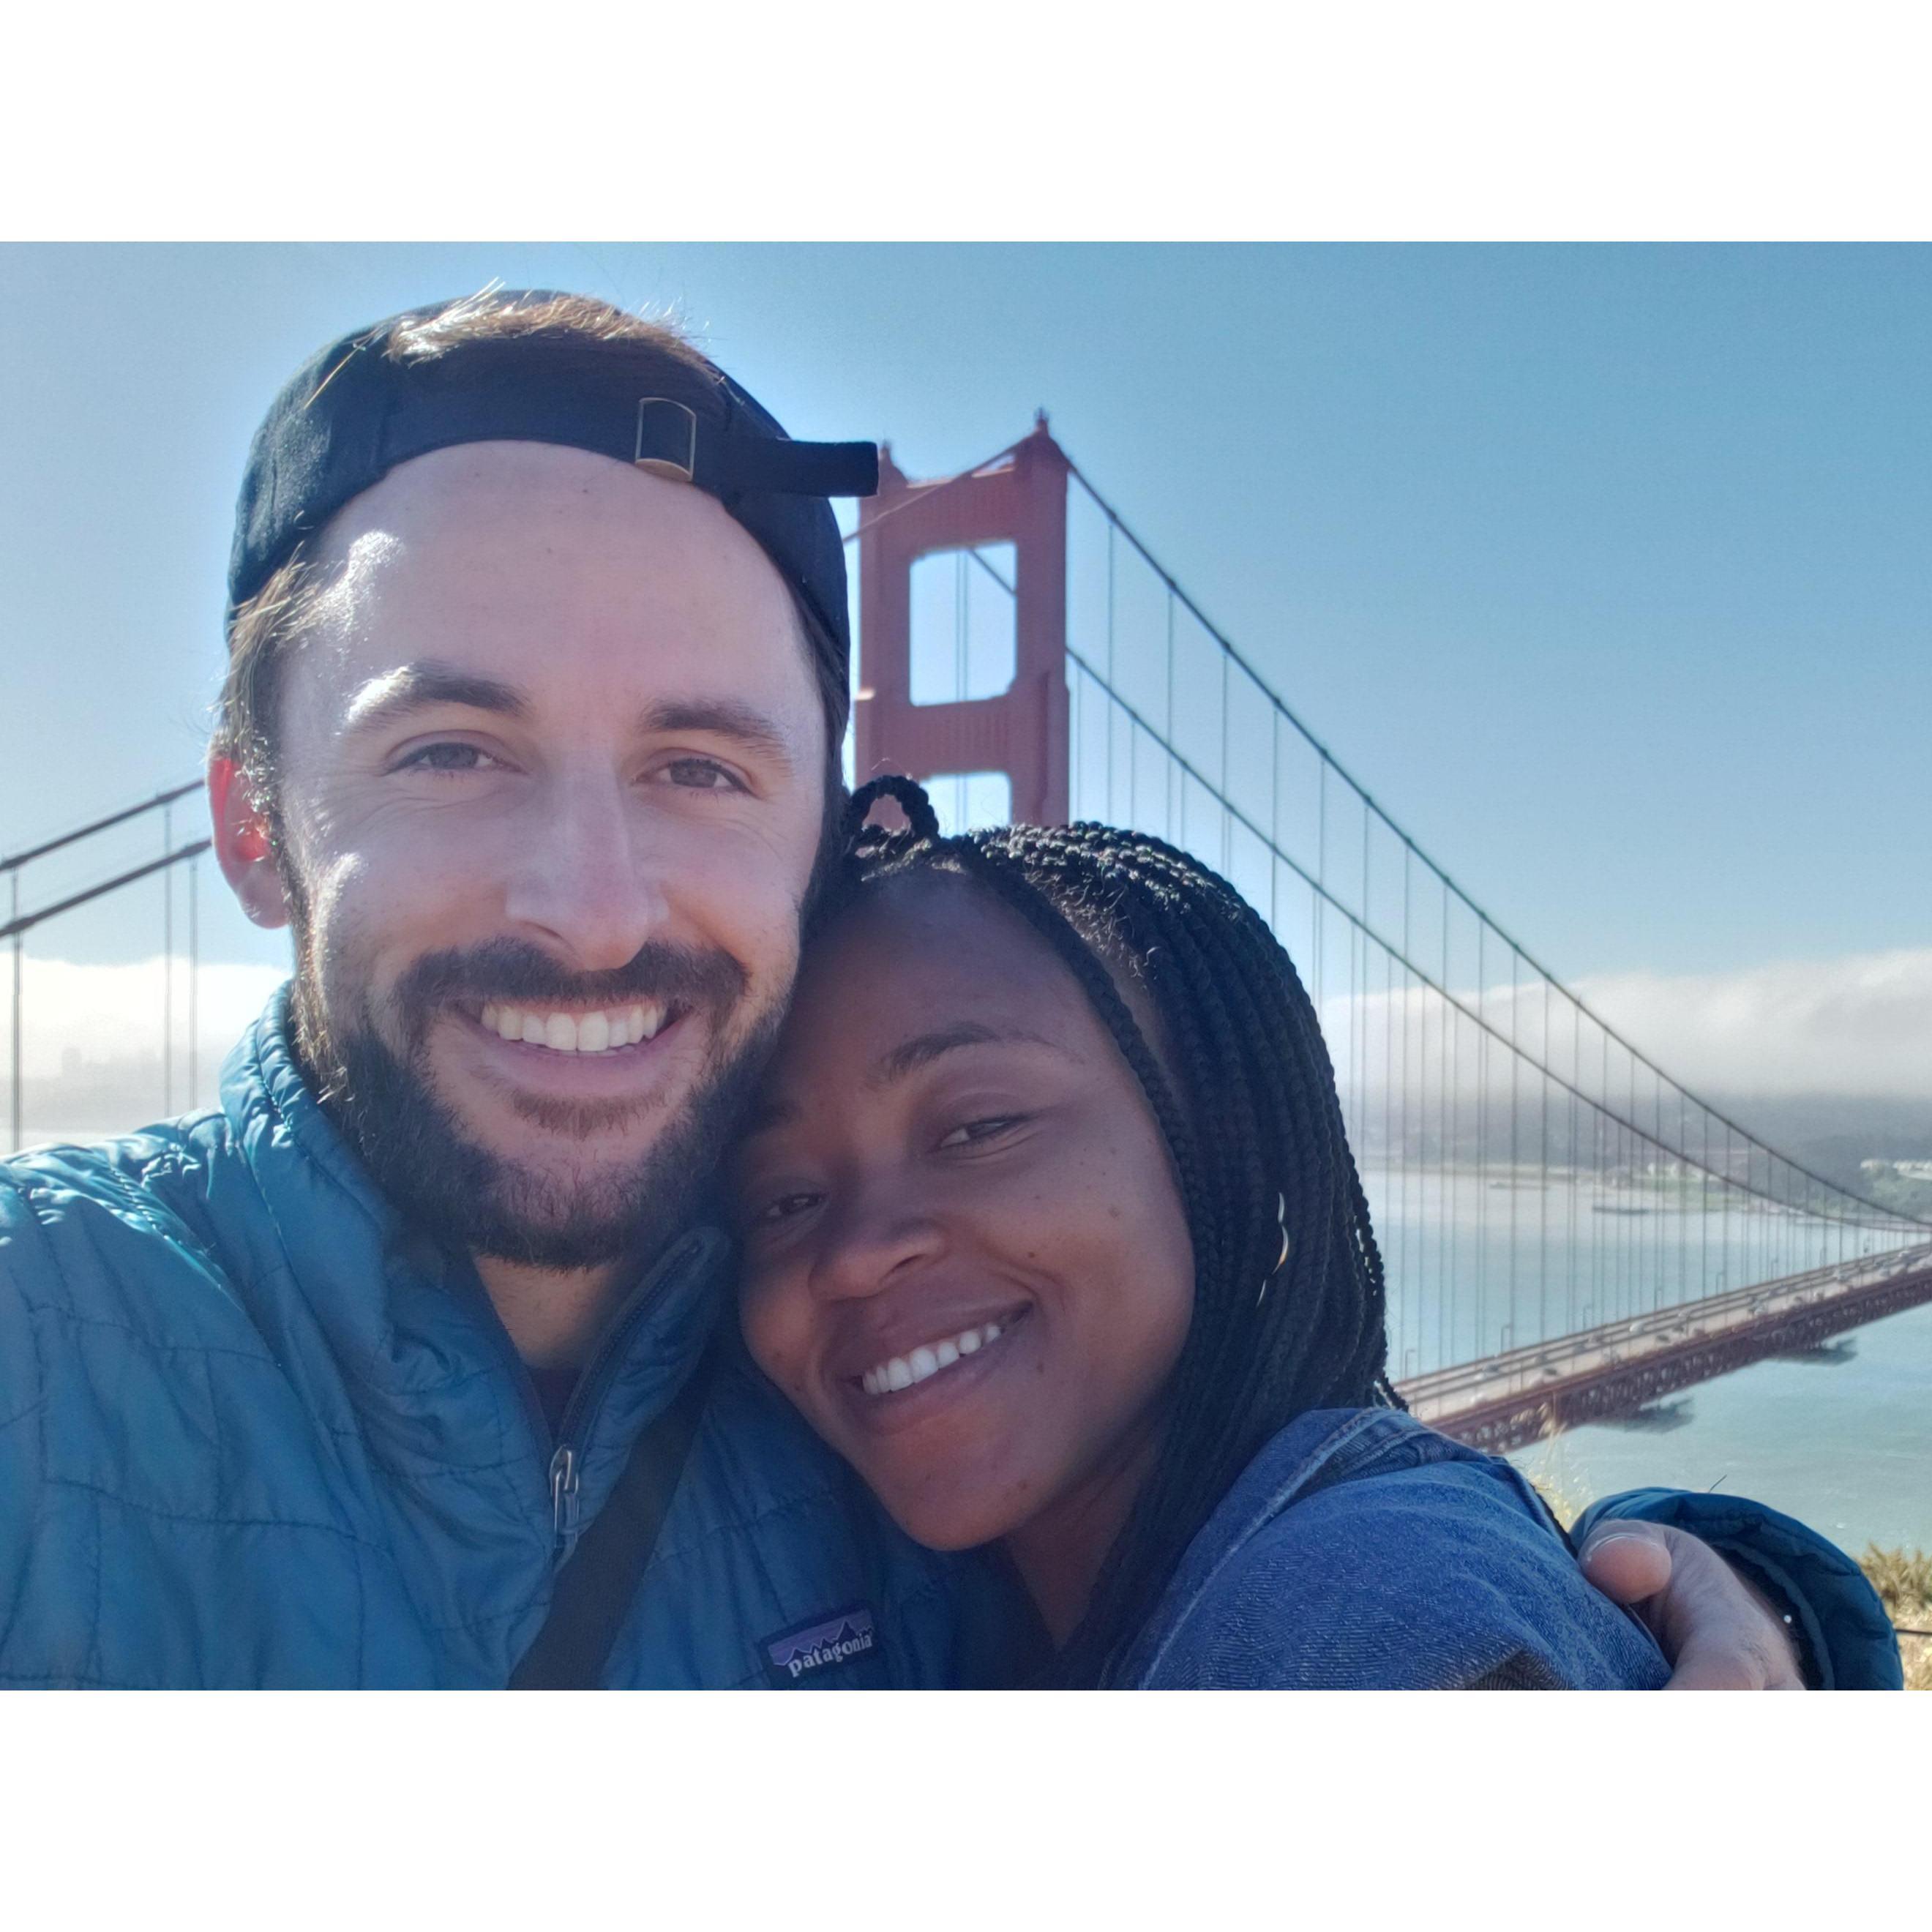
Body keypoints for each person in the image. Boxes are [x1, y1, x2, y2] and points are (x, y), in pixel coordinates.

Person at [0, 291, 1894, 1688]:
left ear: (807, 842)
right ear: (252, 822)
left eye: (701, 766)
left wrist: (1700, 1606)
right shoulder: (49, 1352)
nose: (587, 910)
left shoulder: (895, 1433)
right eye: (450, 753)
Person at [734, 782, 1899, 1686]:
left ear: (1223, 1154)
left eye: (980, 1125)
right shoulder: (1005, 1602)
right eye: (782, 1199)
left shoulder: (1360, 1621)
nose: (851, 1254)